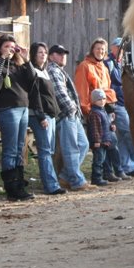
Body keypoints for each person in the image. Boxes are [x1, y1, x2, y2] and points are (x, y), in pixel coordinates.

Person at [0, 34, 35, 201]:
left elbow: (32, 81)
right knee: (11, 149)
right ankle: (11, 188)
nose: (10, 50)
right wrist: (2, 59)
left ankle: (20, 184)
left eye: (12, 47)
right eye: (7, 46)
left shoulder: (18, 65)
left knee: (21, 148)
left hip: (22, 108)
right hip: (8, 109)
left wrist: (27, 60)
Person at [74, 38, 127, 181]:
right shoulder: (85, 66)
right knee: (100, 144)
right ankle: (100, 174)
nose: (100, 51)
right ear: (92, 50)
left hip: (106, 108)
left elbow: (108, 89)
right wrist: (87, 110)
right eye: (98, 48)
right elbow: (82, 89)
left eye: (103, 49)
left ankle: (110, 171)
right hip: (94, 110)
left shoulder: (104, 67)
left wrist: (111, 109)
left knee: (110, 141)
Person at [46, 44, 93, 191]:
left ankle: (66, 177)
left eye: (64, 53)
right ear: (51, 56)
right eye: (59, 53)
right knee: (71, 149)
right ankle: (77, 181)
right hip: (66, 114)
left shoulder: (60, 70)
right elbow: (59, 92)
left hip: (72, 115)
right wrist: (71, 108)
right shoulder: (53, 70)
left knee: (83, 144)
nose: (63, 56)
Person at [27, 42, 65, 195]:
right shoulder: (33, 71)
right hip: (39, 116)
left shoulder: (45, 71)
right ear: (34, 55)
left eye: (44, 52)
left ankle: (52, 181)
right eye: (39, 52)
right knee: (44, 151)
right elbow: (34, 96)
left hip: (51, 115)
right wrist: (41, 115)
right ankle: (50, 185)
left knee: (49, 150)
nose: (42, 55)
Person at [104, 37, 134, 177]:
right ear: (112, 48)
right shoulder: (108, 63)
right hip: (117, 103)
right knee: (128, 133)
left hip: (128, 103)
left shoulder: (124, 62)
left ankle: (128, 165)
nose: (121, 49)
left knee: (123, 136)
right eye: (118, 47)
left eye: (123, 47)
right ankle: (131, 164)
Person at [86, 89, 123, 186]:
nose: (102, 101)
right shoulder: (94, 113)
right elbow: (95, 129)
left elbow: (105, 124)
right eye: (99, 99)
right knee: (98, 161)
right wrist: (96, 141)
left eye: (103, 99)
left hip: (105, 141)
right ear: (94, 101)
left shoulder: (103, 111)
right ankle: (96, 178)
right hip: (99, 142)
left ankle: (102, 176)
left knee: (102, 160)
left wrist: (111, 127)